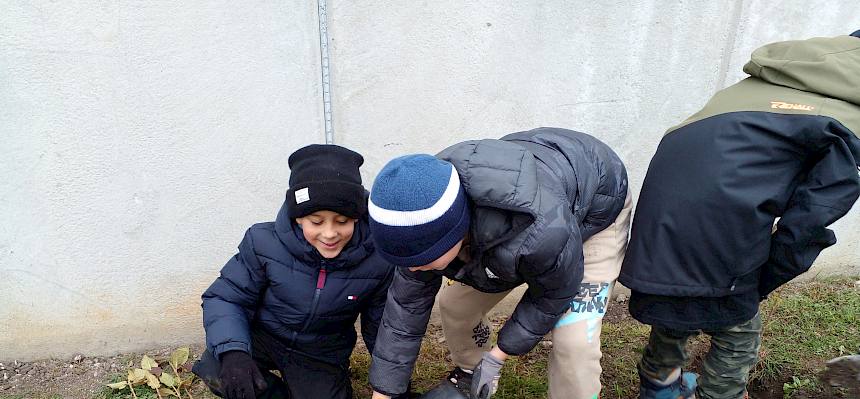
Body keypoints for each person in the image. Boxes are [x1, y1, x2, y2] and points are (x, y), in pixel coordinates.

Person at [619, 31, 860, 399]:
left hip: (660, 208)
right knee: (738, 326)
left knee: (680, 292)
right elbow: (810, 222)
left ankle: (659, 386)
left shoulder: (785, 73)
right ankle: (721, 393)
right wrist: (765, 279)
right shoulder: (847, 116)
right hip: (722, 218)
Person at [366, 127, 631, 399]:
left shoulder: (541, 232)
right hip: (520, 220)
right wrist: (383, 393)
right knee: (455, 306)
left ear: (454, 233)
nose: (412, 269)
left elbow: (553, 294)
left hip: (595, 208)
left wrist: (499, 354)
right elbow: (404, 311)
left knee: (574, 343)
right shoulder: (420, 213)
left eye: (421, 260)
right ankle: (472, 376)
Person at [192, 144, 397, 399]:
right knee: (217, 368)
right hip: (264, 337)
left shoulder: (378, 259)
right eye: (316, 222)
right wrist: (235, 353)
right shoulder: (262, 242)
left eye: (342, 221)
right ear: (298, 217)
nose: (330, 233)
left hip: (319, 352)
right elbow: (225, 297)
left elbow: (382, 327)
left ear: (357, 216)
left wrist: (393, 386)